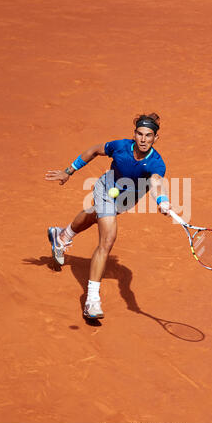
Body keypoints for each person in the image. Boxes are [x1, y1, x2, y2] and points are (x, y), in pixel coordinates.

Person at [45, 113, 171, 319]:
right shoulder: (121, 146)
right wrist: (69, 170)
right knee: (107, 240)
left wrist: (161, 200)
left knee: (95, 214)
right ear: (134, 134)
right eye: (139, 134)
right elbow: (94, 150)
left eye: (149, 135)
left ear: (156, 138)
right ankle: (92, 301)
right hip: (106, 188)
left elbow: (156, 182)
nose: (143, 139)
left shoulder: (157, 163)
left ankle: (62, 236)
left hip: (125, 200)